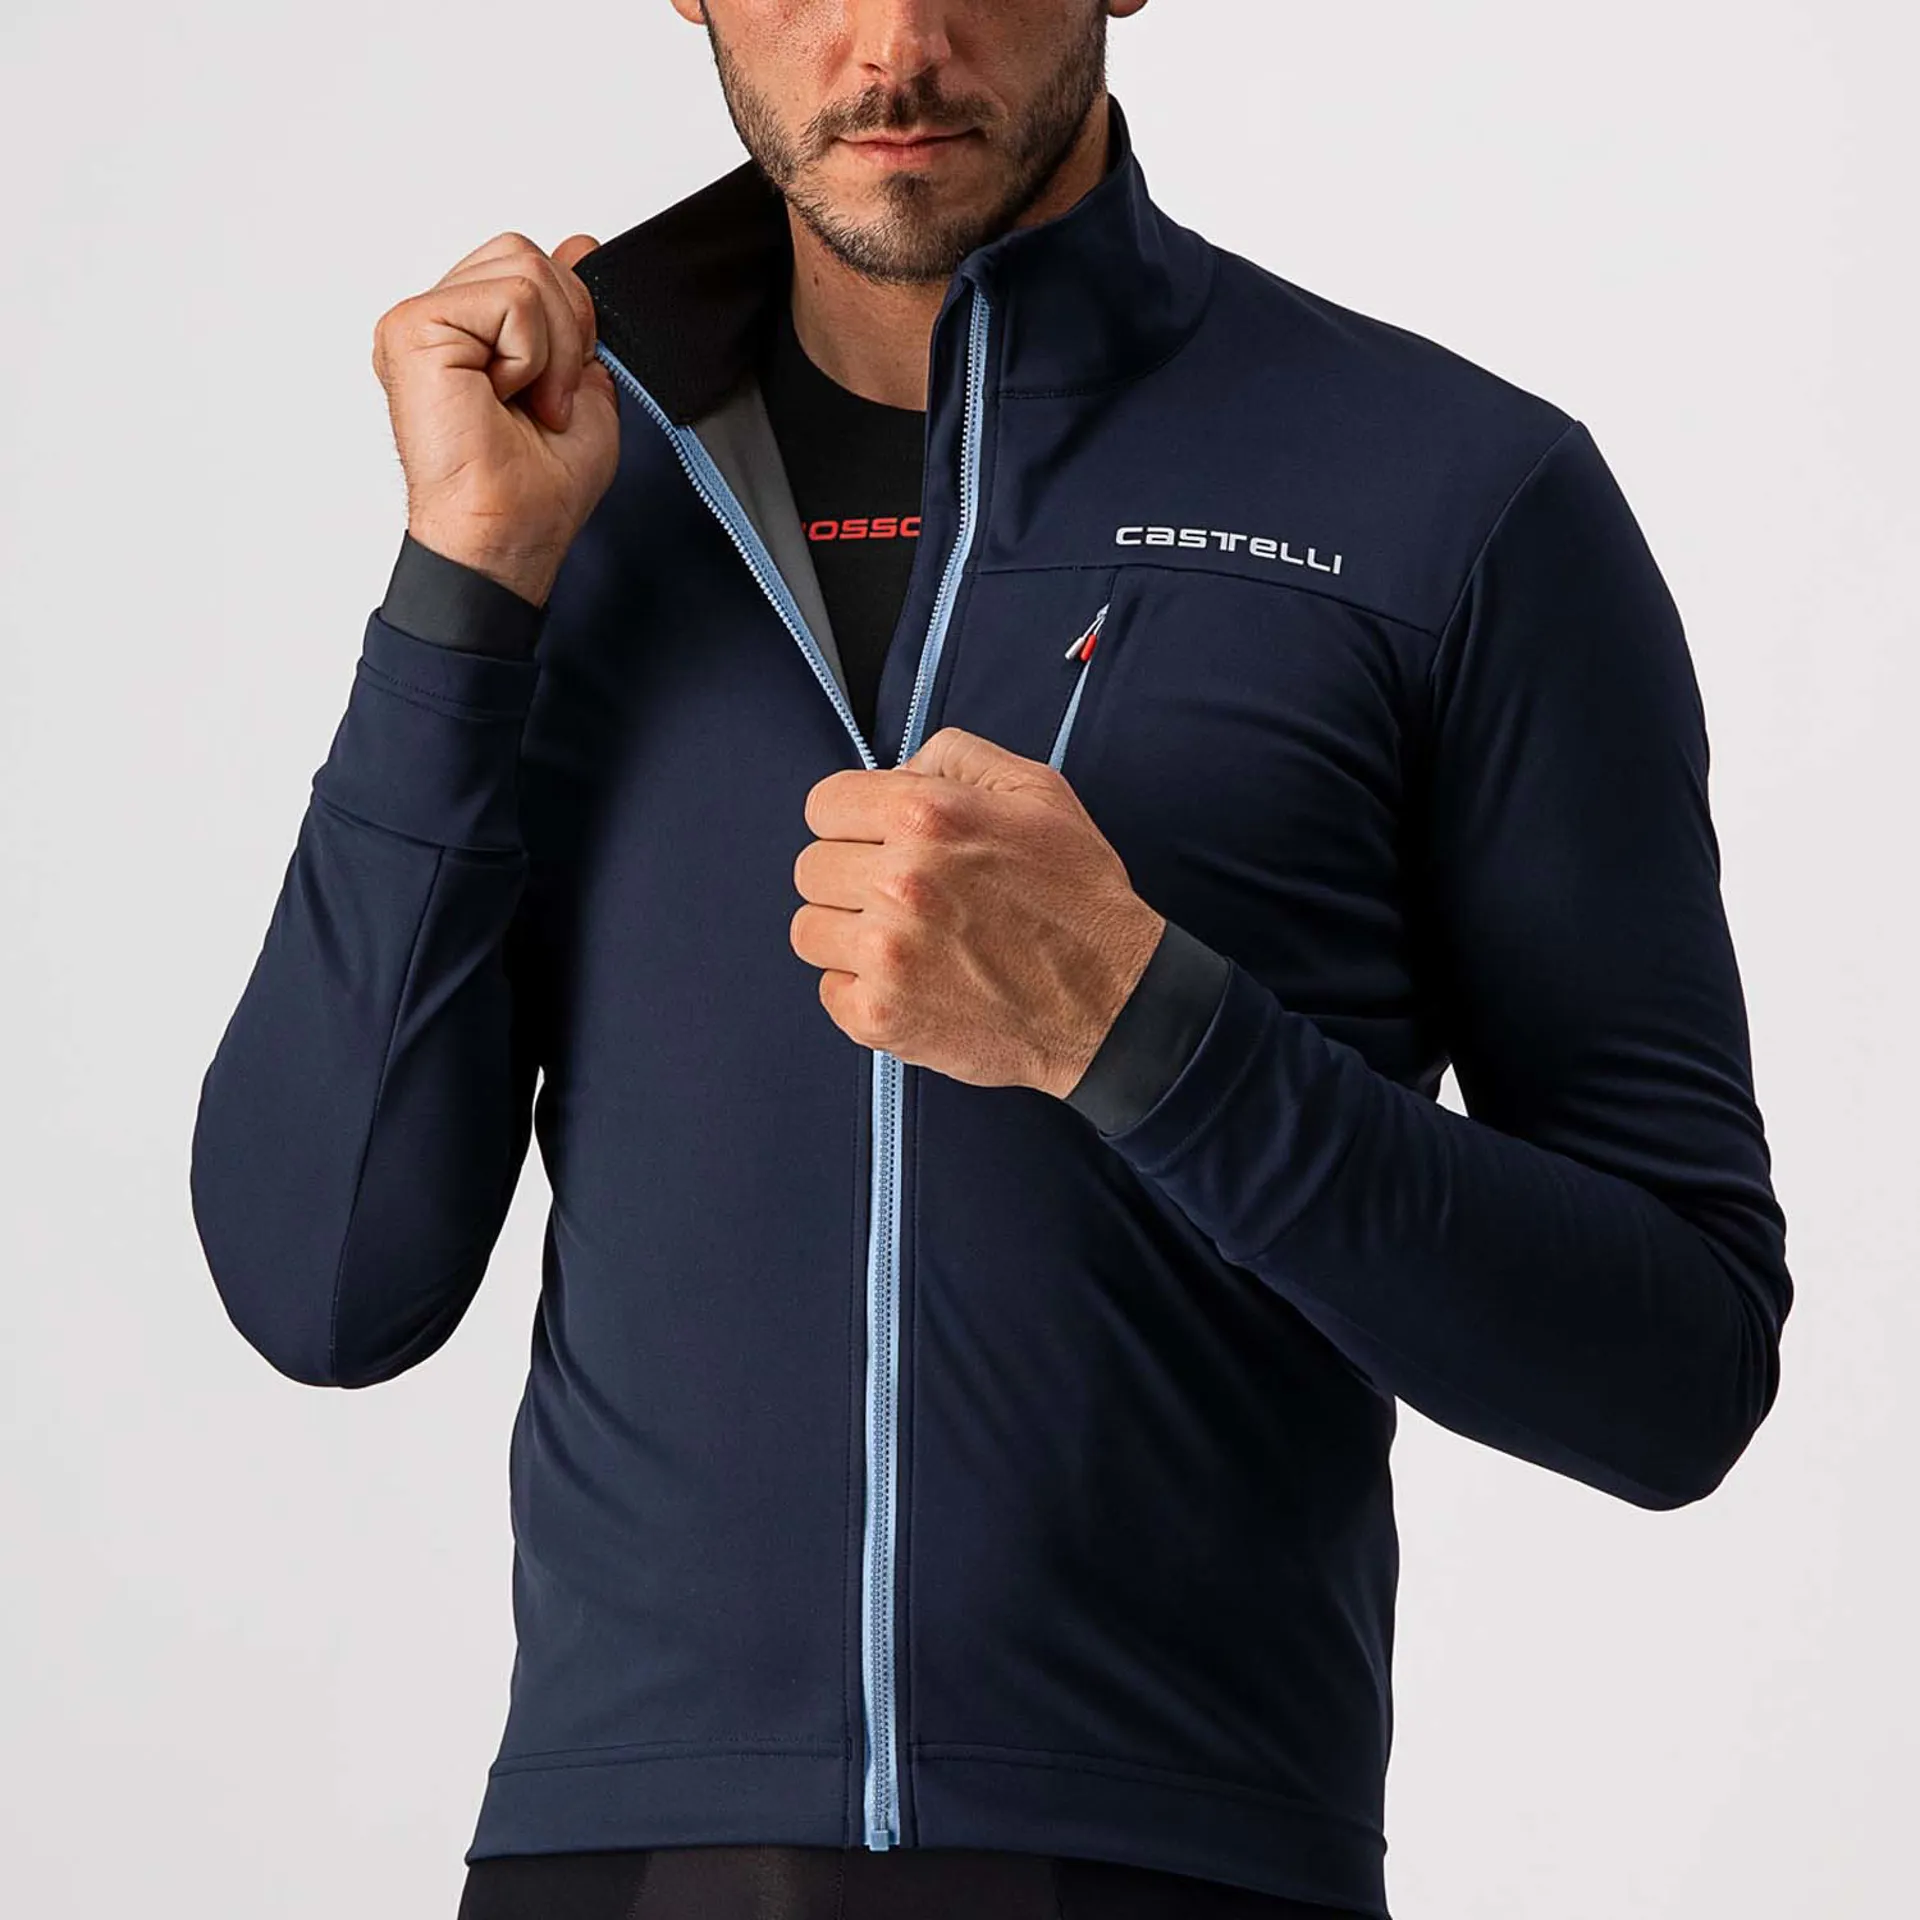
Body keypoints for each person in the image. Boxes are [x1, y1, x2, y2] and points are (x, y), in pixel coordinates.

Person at [188, 3, 1794, 1917]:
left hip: (1175, 1866)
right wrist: (464, 588)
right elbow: (324, 1285)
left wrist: (1146, 1035)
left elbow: (1676, 1371)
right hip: (617, 1864)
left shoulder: (1449, 498)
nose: (896, 43)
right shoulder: (562, 491)